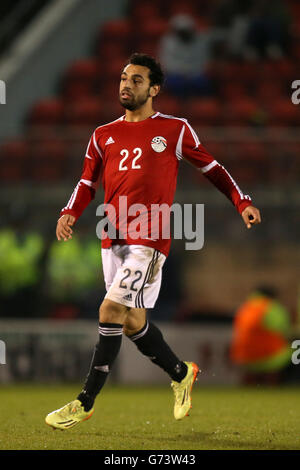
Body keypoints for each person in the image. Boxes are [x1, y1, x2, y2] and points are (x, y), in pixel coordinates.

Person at [45, 53, 261, 430]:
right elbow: (86, 182)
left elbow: (213, 168)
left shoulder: (175, 130)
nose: (126, 85)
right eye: (123, 78)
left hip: (150, 237)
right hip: (111, 235)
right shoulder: (102, 134)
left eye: (137, 80)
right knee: (131, 322)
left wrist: (242, 202)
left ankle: (84, 401)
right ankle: (180, 373)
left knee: (110, 311)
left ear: (154, 89)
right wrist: (70, 212)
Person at [230, 286, 291, 384]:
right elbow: (284, 330)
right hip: (269, 356)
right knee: (293, 350)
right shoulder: (273, 307)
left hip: (244, 356)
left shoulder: (245, 307)